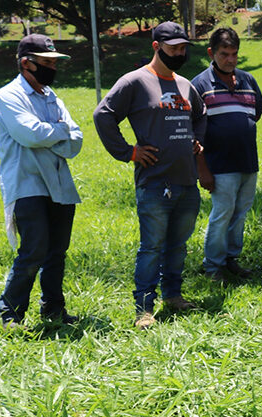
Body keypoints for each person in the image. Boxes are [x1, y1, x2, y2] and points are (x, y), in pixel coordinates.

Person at [93, 21, 207, 330]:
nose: (180, 53)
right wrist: (129, 152)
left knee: (178, 245)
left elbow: (201, 115)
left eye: (184, 48)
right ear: (156, 47)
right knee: (152, 247)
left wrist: (198, 141)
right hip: (155, 182)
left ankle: (173, 295)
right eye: (174, 49)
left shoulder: (185, 85)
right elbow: (103, 115)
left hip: (186, 181)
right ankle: (144, 308)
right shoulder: (135, 82)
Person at [0, 34, 83, 329]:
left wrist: (51, 134)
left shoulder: (52, 97)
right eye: (45, 63)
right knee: (34, 250)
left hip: (59, 184)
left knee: (57, 251)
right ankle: (11, 313)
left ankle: (54, 309)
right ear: (25, 63)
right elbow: (30, 134)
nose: (51, 68)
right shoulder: (8, 97)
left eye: (53, 63)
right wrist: (59, 132)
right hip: (26, 184)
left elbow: (76, 140)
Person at [192, 27, 262, 282]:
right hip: (219, 165)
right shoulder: (199, 84)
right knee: (222, 215)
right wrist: (202, 168)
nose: (231, 59)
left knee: (241, 213)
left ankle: (231, 259)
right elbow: (192, 132)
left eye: (235, 54)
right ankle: (213, 266)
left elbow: (253, 116)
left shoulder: (248, 81)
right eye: (225, 54)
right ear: (211, 53)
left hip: (248, 161)